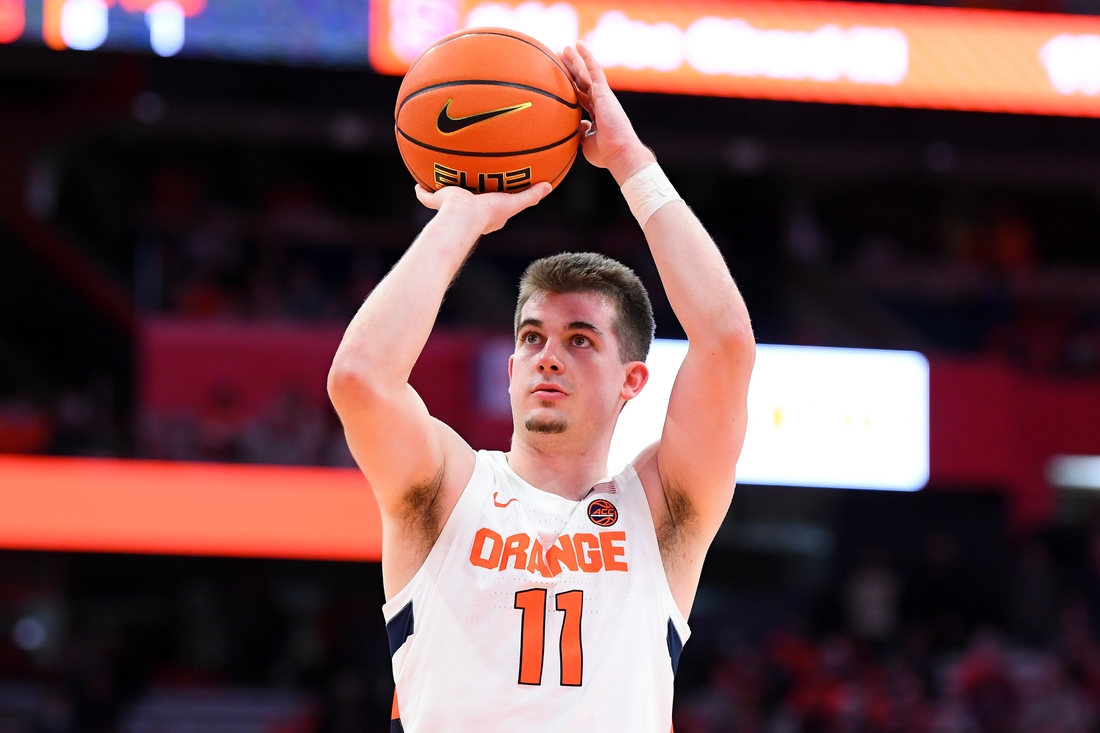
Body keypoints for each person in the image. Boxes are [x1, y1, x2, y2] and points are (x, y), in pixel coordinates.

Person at [328, 42, 755, 733]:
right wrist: (461, 216)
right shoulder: (446, 488)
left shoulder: (662, 510)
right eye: (532, 337)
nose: (548, 356)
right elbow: (360, 379)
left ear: (632, 380)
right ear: (510, 368)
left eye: (580, 339)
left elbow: (728, 345)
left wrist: (629, 161)